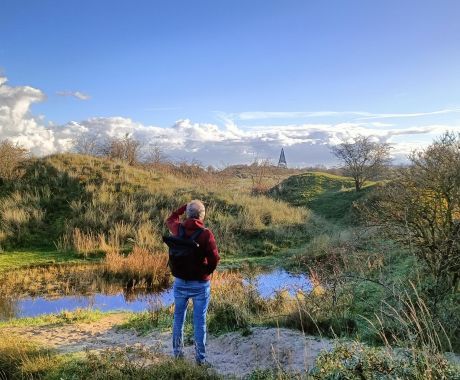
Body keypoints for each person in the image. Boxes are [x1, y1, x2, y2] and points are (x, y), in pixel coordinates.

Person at [165, 200, 220, 365]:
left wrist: (184, 207)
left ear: (187, 214)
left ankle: (177, 355)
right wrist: (206, 272)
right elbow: (214, 258)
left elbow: (171, 218)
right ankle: (200, 360)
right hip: (200, 285)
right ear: (202, 216)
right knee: (199, 321)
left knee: (178, 319)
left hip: (180, 282)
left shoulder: (178, 229)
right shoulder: (206, 234)